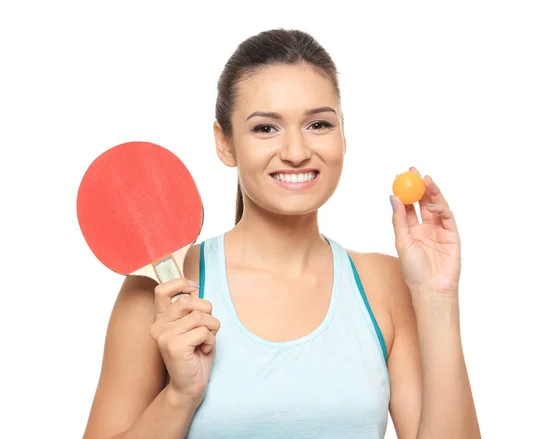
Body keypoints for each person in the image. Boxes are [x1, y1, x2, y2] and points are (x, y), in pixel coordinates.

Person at [82, 29, 481, 439]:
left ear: (343, 136)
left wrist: (438, 297)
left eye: (318, 124)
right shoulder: (161, 290)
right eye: (265, 129)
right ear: (225, 143)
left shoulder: (386, 283)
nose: (295, 151)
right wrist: (180, 396)